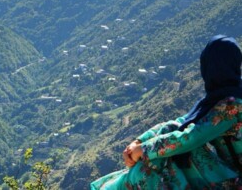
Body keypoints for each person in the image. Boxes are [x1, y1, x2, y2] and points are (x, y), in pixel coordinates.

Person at [90, 35, 242, 189]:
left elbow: (191, 136)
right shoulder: (222, 97)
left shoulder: (233, 105)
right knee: (171, 133)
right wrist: (138, 142)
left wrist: (144, 149)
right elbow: (180, 123)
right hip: (229, 173)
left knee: (163, 157)